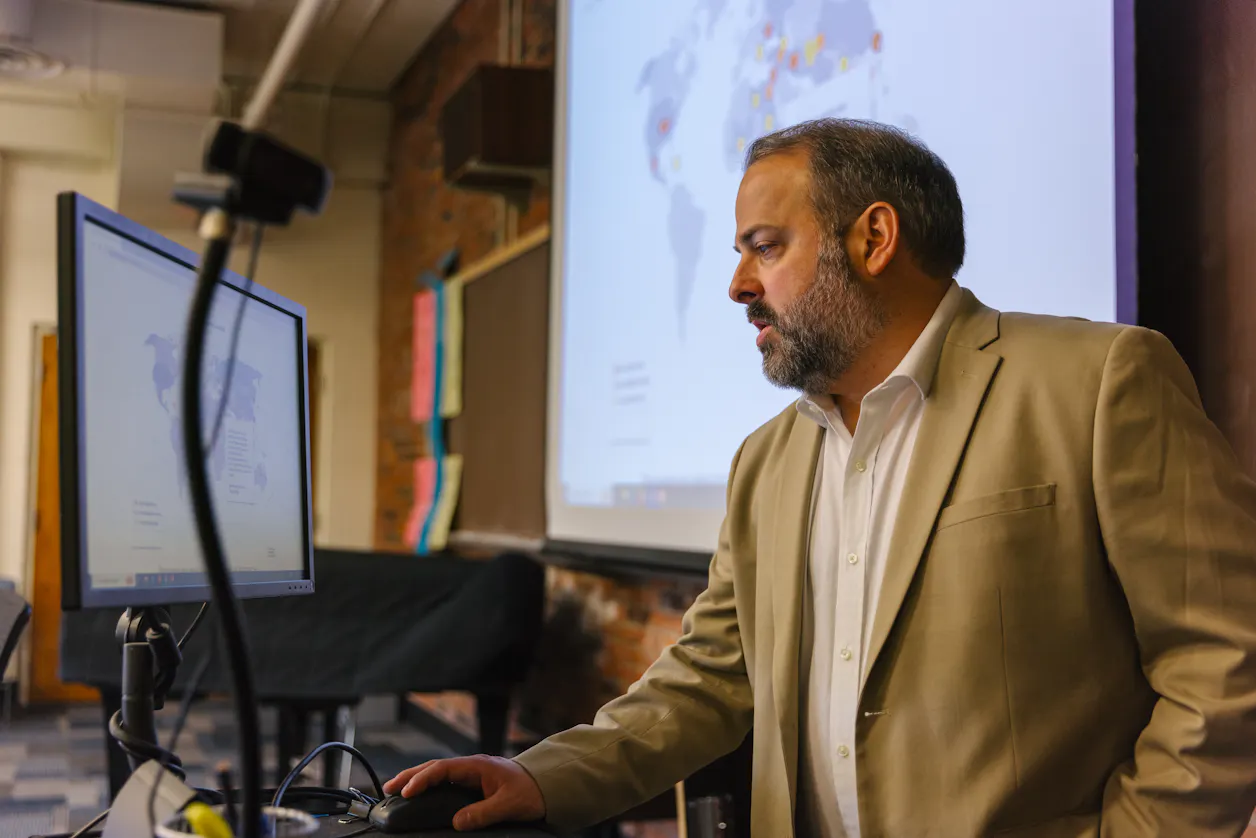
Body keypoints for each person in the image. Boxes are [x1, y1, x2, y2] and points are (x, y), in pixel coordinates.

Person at [384, 119, 1256, 837]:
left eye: (764, 247)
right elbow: (710, 678)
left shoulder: (1098, 381)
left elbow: (1227, 655)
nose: (735, 284)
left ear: (873, 238)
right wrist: (539, 778)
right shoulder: (766, 461)